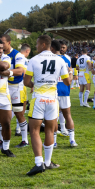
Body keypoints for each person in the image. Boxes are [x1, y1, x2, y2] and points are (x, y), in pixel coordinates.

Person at [24, 35, 70, 176]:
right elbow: (67, 82)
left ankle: (39, 163)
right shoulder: (60, 60)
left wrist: (35, 85)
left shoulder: (34, 60)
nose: (36, 47)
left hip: (38, 99)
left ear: (44, 44)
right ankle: (48, 162)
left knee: (34, 131)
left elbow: (26, 81)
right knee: (50, 130)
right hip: (52, 100)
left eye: (37, 44)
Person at [0, 34, 28, 149]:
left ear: (9, 43)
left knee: (19, 114)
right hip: (3, 88)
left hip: (16, 88)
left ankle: (25, 140)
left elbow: (20, 71)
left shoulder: (17, 55)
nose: (0, 46)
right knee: (2, 116)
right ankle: (1, 141)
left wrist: (6, 72)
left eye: (3, 43)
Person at [51, 40, 77, 147]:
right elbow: (68, 76)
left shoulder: (51, 59)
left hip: (53, 90)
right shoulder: (66, 59)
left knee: (54, 117)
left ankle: (55, 142)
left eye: (64, 47)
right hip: (64, 90)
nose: (62, 49)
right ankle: (72, 140)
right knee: (68, 116)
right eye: (61, 47)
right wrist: (71, 73)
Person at [14, 43, 31, 137]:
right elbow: (24, 73)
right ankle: (18, 129)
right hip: (20, 86)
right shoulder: (22, 58)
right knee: (20, 110)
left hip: (16, 86)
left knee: (18, 109)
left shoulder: (16, 56)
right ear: (27, 51)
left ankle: (18, 129)